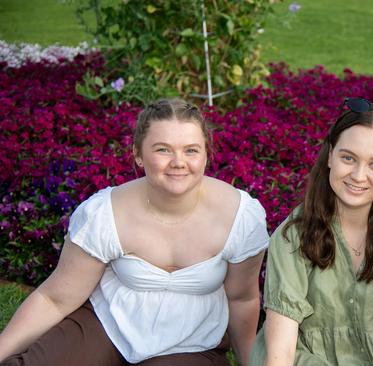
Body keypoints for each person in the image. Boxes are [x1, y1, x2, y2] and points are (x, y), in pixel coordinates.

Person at [0, 98, 269, 365]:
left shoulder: (239, 217)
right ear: (138, 155)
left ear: (206, 154)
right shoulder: (105, 213)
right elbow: (55, 299)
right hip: (106, 326)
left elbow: (241, 298)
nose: (178, 161)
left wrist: (250, 363)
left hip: (191, 344)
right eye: (163, 149)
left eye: (191, 150)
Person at [249, 97, 373, 366]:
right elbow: (281, 352)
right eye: (349, 158)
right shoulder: (295, 236)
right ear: (331, 155)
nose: (358, 175)